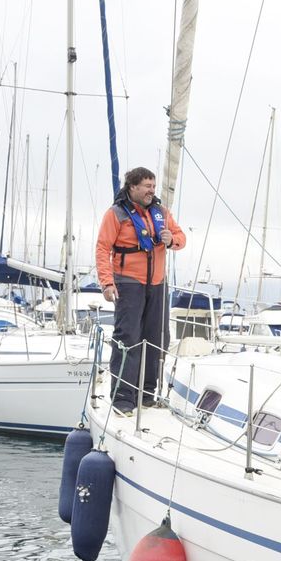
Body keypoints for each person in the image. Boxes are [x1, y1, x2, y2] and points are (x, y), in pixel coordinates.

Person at [96, 166, 187, 416]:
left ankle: (147, 394)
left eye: (153, 186)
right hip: (128, 283)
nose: (151, 191)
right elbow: (103, 248)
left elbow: (181, 238)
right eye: (147, 186)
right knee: (128, 339)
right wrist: (106, 283)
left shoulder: (161, 213)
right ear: (132, 187)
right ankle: (123, 397)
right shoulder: (116, 214)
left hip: (157, 284)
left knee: (157, 339)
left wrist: (172, 240)